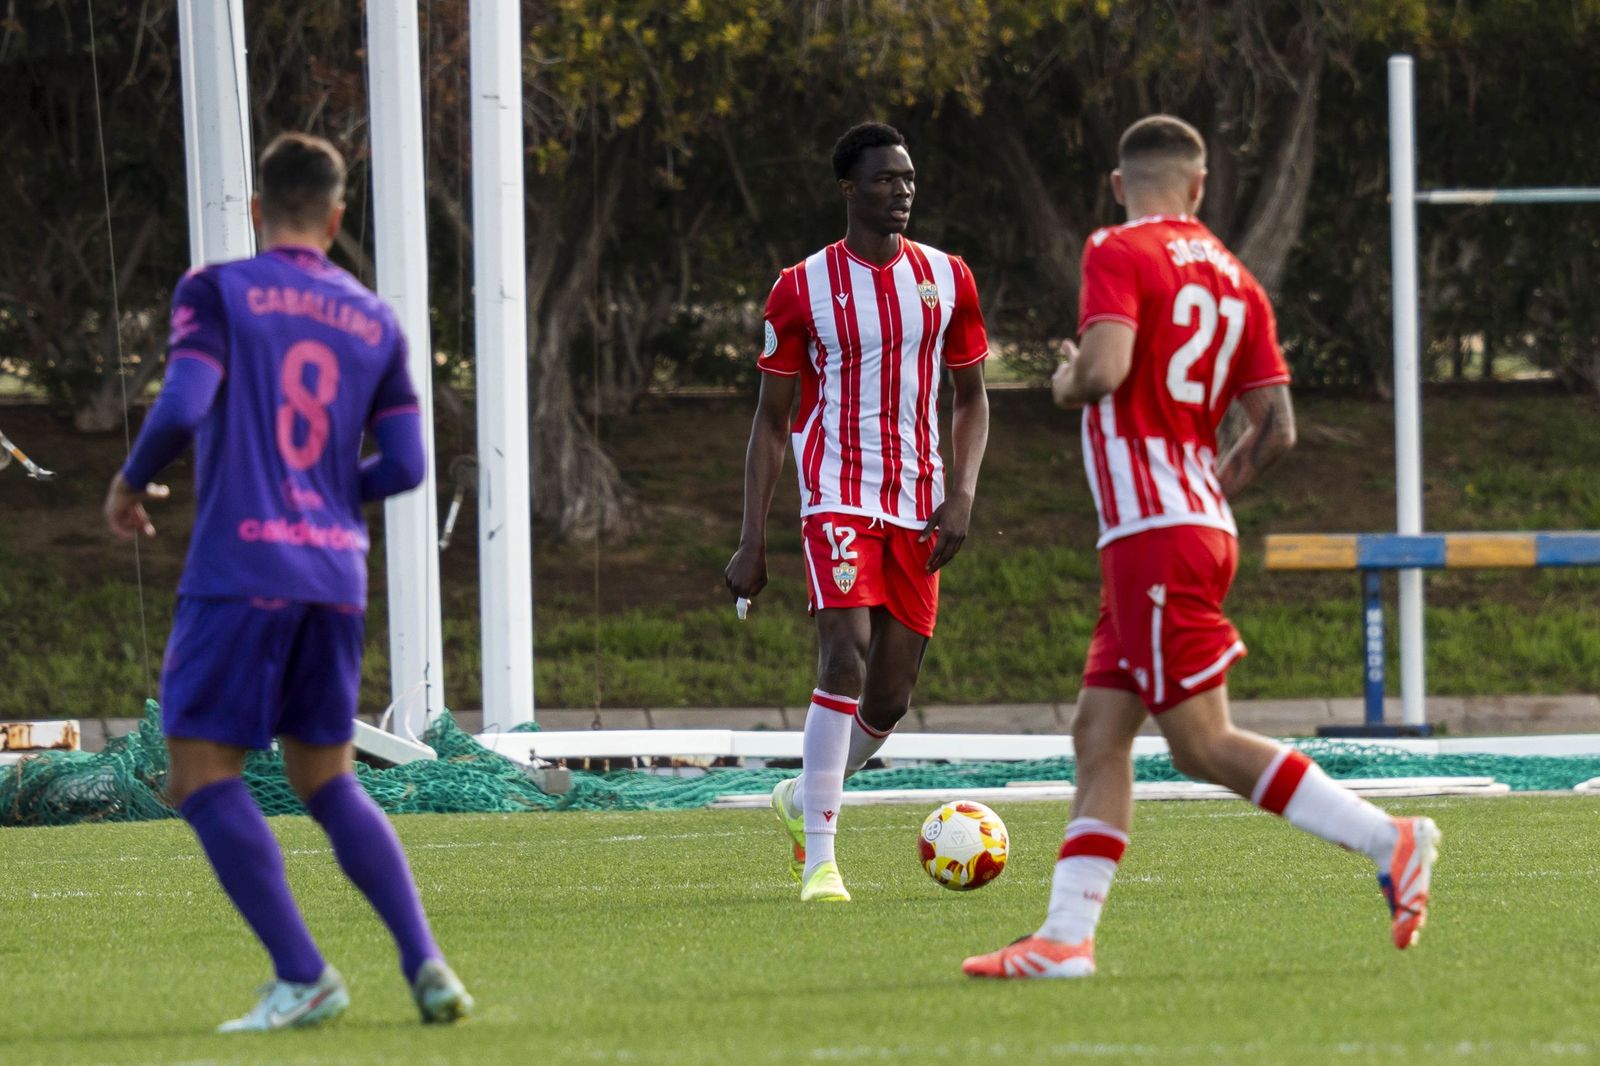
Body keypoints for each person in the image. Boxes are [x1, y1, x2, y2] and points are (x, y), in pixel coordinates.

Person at [962, 115, 1440, 979]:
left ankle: (1390, 838)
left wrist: (1064, 376)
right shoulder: (1239, 280)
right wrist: (1206, 489)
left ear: (1119, 183)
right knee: (1098, 733)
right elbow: (1278, 429)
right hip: (1184, 524)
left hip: (1154, 536)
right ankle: (1065, 940)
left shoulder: (1117, 248)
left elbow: (1102, 372)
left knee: (1200, 743)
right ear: (1202, 184)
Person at [104, 132, 473, 1029]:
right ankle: (427, 964)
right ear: (339, 216)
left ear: (260, 210)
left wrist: (128, 481)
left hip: (242, 565)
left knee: (198, 772)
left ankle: (304, 972)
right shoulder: (376, 319)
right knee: (328, 779)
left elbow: (186, 402)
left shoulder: (217, 288)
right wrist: (327, 488)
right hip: (335, 574)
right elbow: (411, 465)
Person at [724, 122, 991, 903]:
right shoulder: (800, 286)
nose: (901, 191)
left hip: (920, 503)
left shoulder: (947, 277)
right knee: (844, 654)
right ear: (849, 189)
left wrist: (963, 494)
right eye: (884, 180)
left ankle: (801, 793)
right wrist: (752, 539)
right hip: (837, 493)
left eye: (908, 179)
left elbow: (972, 398)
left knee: (892, 695)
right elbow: (771, 420)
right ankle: (821, 864)